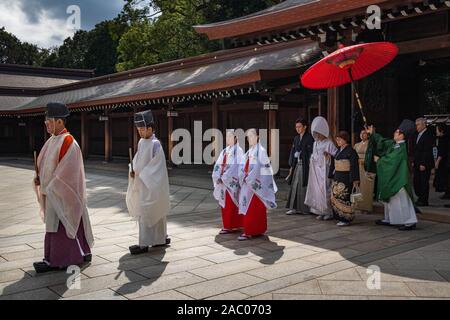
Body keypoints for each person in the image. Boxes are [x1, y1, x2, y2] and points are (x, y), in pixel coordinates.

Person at [32, 102, 94, 273]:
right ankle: (80, 252)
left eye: (49, 120)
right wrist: (39, 178)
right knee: (60, 225)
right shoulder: (52, 140)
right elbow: (43, 164)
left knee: (64, 224)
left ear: (60, 122)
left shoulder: (68, 142)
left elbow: (69, 172)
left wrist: (52, 185)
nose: (46, 123)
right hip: (52, 191)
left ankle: (62, 259)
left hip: (61, 193)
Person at [126, 110, 170, 255]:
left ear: (151, 129)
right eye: (138, 129)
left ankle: (156, 240)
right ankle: (147, 240)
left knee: (153, 210)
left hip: (152, 184)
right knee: (145, 212)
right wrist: (132, 170)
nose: (140, 132)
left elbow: (157, 167)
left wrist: (141, 174)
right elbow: (137, 160)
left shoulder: (155, 144)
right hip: (143, 184)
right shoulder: (141, 142)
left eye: (143, 129)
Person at [366, 120, 418, 231]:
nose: (394, 133)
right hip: (394, 177)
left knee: (402, 200)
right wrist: (373, 134)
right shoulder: (395, 144)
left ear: (402, 135)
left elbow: (391, 161)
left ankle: (409, 222)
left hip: (399, 179)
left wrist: (379, 160)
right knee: (390, 200)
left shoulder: (401, 148)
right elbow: (382, 142)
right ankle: (389, 219)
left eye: (396, 132)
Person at [238, 129, 277, 241]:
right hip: (248, 182)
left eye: (251, 136)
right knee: (249, 206)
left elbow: (262, 168)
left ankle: (251, 231)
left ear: (257, 137)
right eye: (248, 137)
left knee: (253, 208)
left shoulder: (261, 151)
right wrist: (243, 175)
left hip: (256, 184)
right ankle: (254, 230)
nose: (249, 139)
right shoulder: (250, 151)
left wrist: (249, 177)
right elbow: (242, 164)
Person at [304, 116, 338, 221]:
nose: (316, 136)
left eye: (317, 133)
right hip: (316, 170)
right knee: (317, 190)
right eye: (315, 133)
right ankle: (319, 210)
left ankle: (328, 212)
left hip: (325, 169)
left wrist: (328, 156)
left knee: (326, 189)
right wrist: (312, 159)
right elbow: (314, 154)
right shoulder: (315, 143)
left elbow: (336, 154)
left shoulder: (329, 143)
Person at [212, 130, 244, 234]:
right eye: (227, 137)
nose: (228, 139)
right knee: (225, 204)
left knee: (232, 204)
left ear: (235, 138)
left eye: (230, 137)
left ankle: (233, 225)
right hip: (223, 181)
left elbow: (236, 167)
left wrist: (225, 176)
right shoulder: (225, 151)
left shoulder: (238, 151)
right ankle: (227, 225)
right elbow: (218, 164)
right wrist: (217, 175)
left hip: (230, 181)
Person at [329, 131, 360, 226]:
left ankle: (346, 218)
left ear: (345, 139)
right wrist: (332, 174)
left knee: (345, 196)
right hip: (338, 175)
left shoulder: (351, 151)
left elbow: (354, 166)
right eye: (336, 139)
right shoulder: (339, 151)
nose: (337, 141)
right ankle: (338, 216)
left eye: (339, 139)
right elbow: (334, 164)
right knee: (336, 196)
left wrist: (355, 179)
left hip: (346, 177)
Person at [286, 118, 314, 215]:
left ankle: (305, 209)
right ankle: (293, 208)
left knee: (303, 185)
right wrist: (291, 165)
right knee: (294, 185)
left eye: (299, 127)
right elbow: (293, 151)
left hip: (305, 165)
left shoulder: (310, 138)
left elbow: (311, 153)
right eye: (296, 127)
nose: (297, 129)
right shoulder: (296, 138)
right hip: (297, 164)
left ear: (305, 127)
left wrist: (302, 154)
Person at [413, 117, 434, 206]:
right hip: (417, 163)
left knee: (423, 182)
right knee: (416, 181)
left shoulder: (428, 135)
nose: (416, 127)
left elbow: (427, 151)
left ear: (423, 124)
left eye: (418, 125)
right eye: (416, 125)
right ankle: (420, 197)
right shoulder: (418, 135)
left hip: (424, 164)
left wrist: (423, 163)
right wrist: (414, 161)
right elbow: (416, 150)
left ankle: (424, 200)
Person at [354, 129, 376, 213]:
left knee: (367, 187)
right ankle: (358, 206)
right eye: (361, 133)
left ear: (368, 135)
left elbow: (372, 156)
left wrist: (365, 161)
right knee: (358, 187)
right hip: (358, 167)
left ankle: (366, 207)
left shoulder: (370, 144)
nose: (362, 135)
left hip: (367, 167)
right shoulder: (356, 145)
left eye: (364, 133)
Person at [434, 123, 449, 198]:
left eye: (437, 129)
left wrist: (437, 161)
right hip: (444, 161)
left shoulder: (444, 139)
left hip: (444, 162)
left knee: (445, 177)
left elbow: (442, 152)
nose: (436, 131)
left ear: (441, 130)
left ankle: (447, 193)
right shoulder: (441, 138)